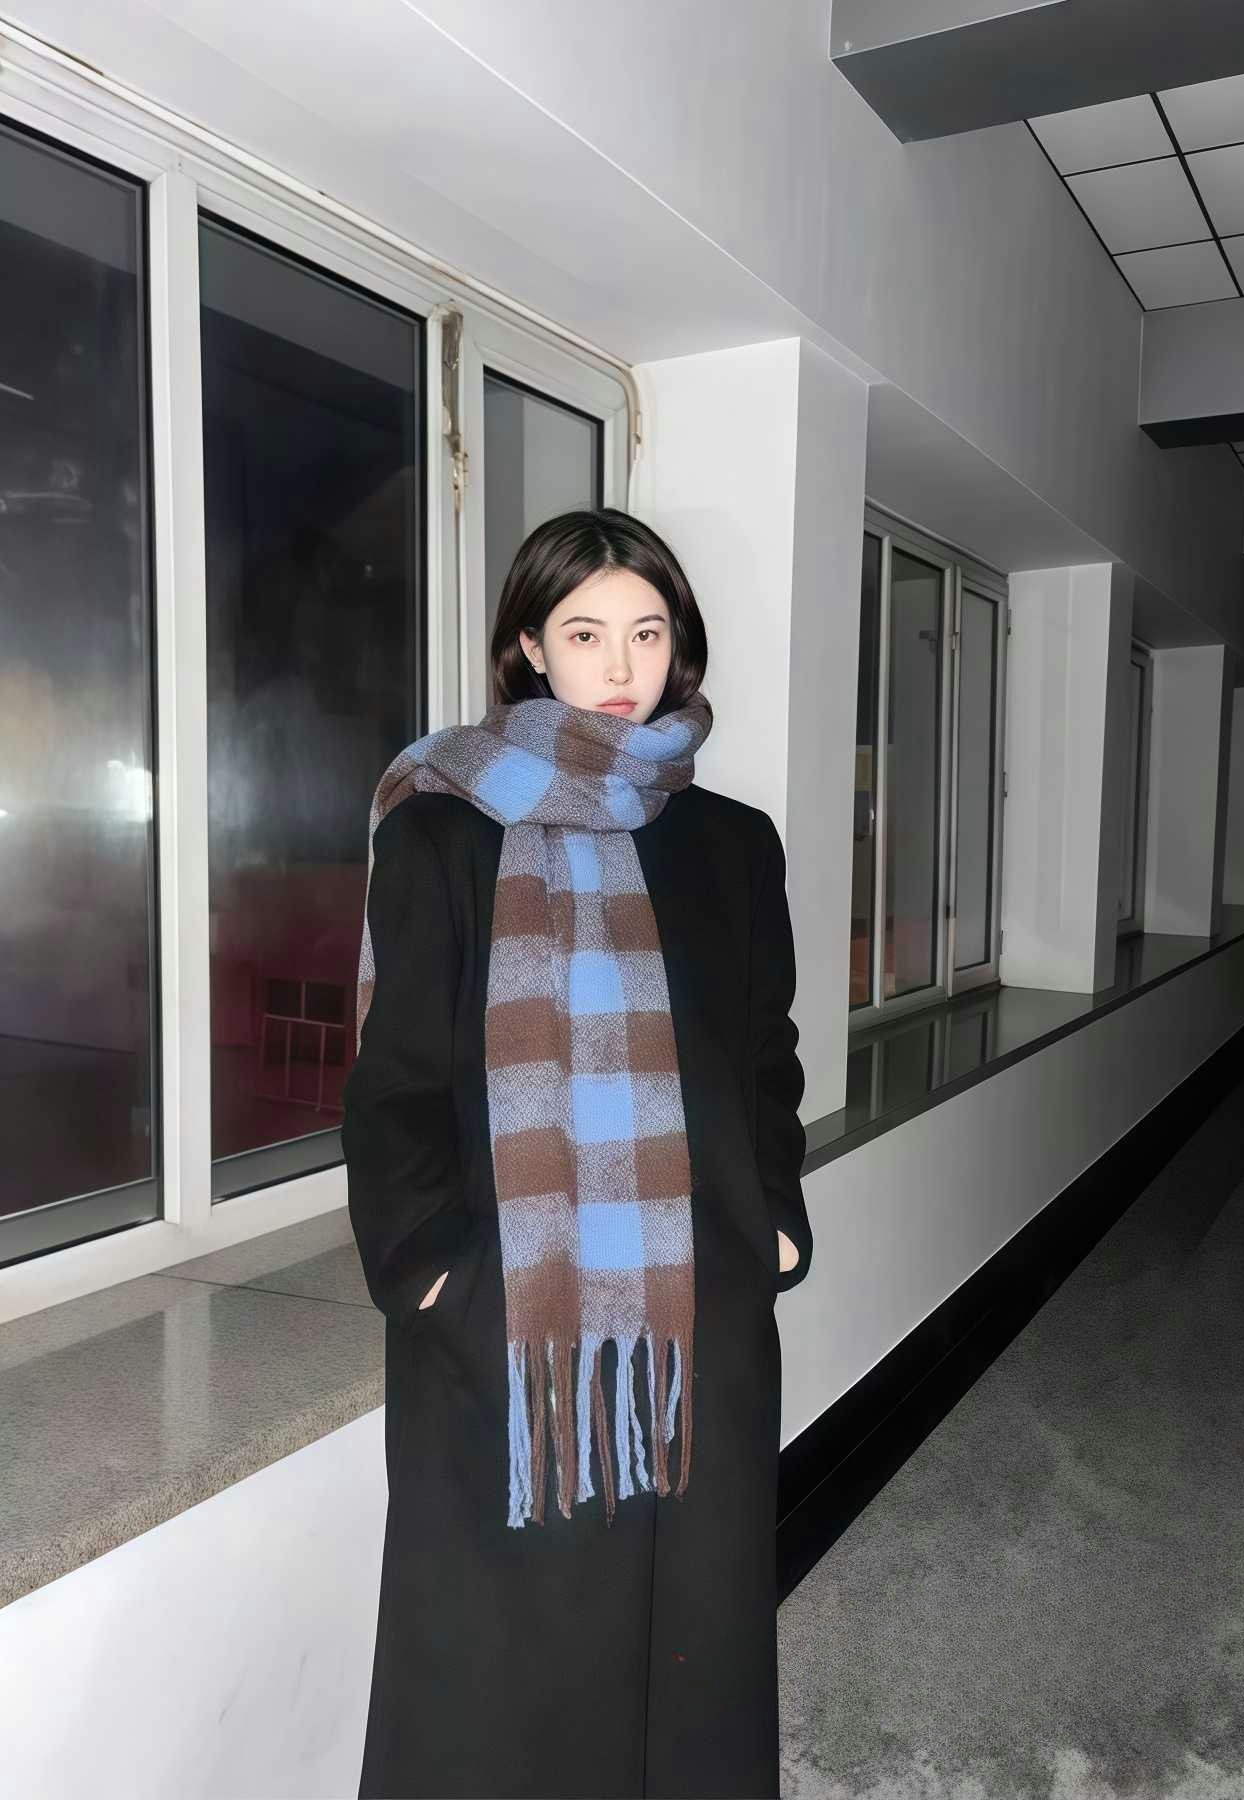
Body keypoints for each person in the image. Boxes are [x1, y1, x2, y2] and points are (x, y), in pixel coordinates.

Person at [341, 506, 813, 1799]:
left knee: (690, 1649)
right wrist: (428, 1269)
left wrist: (773, 1216)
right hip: (507, 1322)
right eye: (587, 631)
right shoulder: (443, 829)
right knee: (501, 1666)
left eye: (647, 632)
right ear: (530, 649)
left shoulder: (733, 843)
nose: (621, 663)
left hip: (701, 1314)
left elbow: (763, 1053)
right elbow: (395, 1083)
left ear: (679, 646)